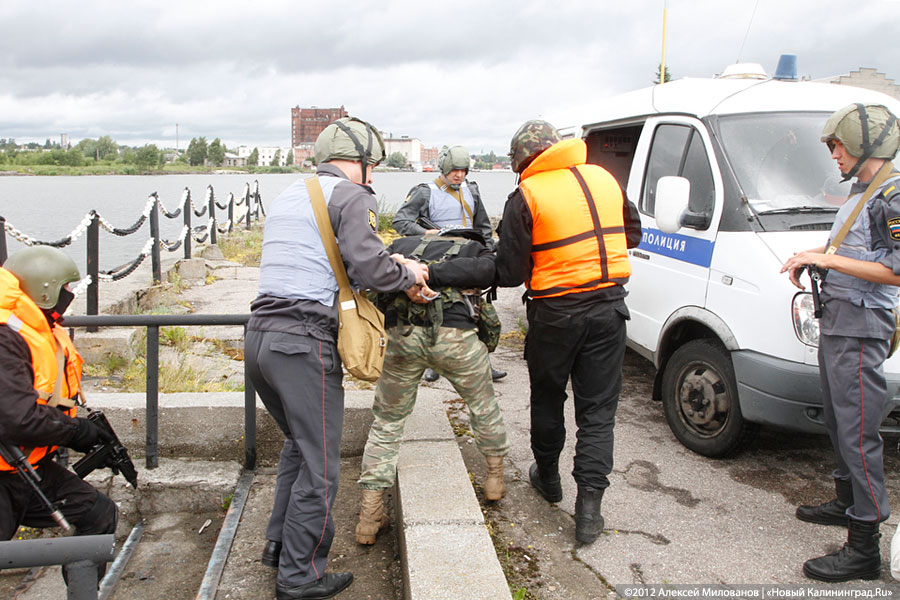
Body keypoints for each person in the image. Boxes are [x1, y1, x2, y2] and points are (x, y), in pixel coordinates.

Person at [245, 116, 429, 600]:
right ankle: (299, 578)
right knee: (322, 467)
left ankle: (278, 546)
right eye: (374, 166)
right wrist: (409, 273)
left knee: (296, 447)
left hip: (260, 337)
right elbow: (370, 268)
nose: (375, 177)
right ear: (362, 162)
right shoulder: (352, 196)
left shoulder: (291, 194)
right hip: (302, 343)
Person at [495, 120, 641, 544]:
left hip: (555, 315)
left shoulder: (526, 194)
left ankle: (549, 478)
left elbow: (509, 272)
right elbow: (632, 233)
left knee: (547, 397)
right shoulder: (604, 178)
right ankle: (590, 511)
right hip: (609, 309)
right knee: (598, 413)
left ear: (523, 158)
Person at [781, 103, 900, 583]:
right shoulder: (863, 192)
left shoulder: (891, 196)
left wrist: (825, 260)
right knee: (838, 419)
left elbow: (896, 269)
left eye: (836, 145)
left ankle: (864, 546)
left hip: (861, 327)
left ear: (863, 143)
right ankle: (846, 501)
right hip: (840, 321)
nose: (832, 154)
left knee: (857, 432)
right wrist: (816, 262)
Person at [354, 229, 510, 545]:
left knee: (387, 423)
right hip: (458, 341)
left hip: (403, 339)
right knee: (483, 407)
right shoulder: (473, 248)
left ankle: (369, 518)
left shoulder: (400, 246)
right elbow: (495, 271)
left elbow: (368, 274)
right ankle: (494, 480)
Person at [0, 245, 118, 587]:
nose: (70, 295)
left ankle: (83, 592)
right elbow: (16, 418)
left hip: (25, 467)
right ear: (45, 289)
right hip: (4, 474)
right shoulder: (7, 338)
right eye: (66, 288)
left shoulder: (38, 328)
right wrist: (74, 431)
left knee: (97, 513)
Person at [392, 145, 507, 382]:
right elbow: (401, 221)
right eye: (454, 170)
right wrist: (427, 233)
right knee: (435, 309)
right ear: (444, 168)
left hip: (467, 255)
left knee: (477, 309)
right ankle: (433, 362)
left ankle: (482, 361)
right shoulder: (425, 192)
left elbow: (483, 225)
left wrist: (486, 250)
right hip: (439, 257)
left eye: (464, 170)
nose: (459, 175)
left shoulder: (472, 191)